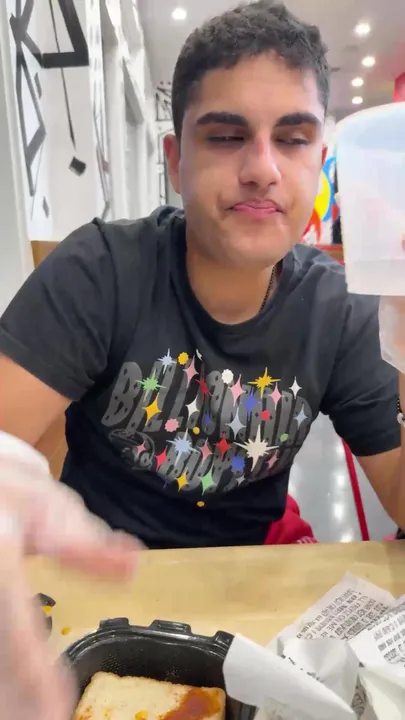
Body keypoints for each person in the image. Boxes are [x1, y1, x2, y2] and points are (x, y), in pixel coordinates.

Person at [2, 2, 405, 716]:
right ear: (175, 159)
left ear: (319, 161)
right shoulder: (100, 272)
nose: (262, 169)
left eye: (293, 139)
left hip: (252, 583)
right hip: (101, 584)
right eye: (225, 136)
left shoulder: (339, 307)